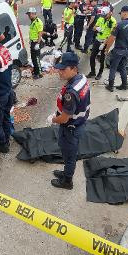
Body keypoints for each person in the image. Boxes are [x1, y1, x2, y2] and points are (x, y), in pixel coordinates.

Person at [48, 52, 91, 189]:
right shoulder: (81, 78)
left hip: (71, 127)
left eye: (63, 69)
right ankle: (66, 172)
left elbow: (64, 118)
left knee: (69, 155)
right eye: (59, 69)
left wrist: (53, 119)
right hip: (78, 123)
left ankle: (67, 181)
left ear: (73, 68)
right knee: (67, 152)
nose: (59, 72)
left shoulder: (71, 93)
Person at [104, 5, 128, 92]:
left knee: (113, 67)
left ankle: (110, 86)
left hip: (119, 50)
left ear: (125, 13)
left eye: (121, 13)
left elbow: (112, 38)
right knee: (122, 67)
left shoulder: (119, 25)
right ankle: (125, 85)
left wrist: (107, 49)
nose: (120, 15)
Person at [87, 6, 116, 80]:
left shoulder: (113, 21)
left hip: (105, 42)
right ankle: (93, 72)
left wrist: (104, 44)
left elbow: (111, 35)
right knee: (92, 56)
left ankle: (100, 73)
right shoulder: (101, 18)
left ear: (109, 13)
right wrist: (96, 28)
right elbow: (94, 27)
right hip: (98, 40)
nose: (103, 17)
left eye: (105, 15)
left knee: (102, 59)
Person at [26, 7, 44, 79]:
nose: (28, 16)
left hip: (36, 42)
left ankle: (39, 73)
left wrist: (38, 44)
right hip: (33, 42)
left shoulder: (38, 22)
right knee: (33, 58)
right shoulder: (33, 21)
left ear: (33, 14)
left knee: (36, 58)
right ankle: (36, 71)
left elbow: (40, 33)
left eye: (29, 14)